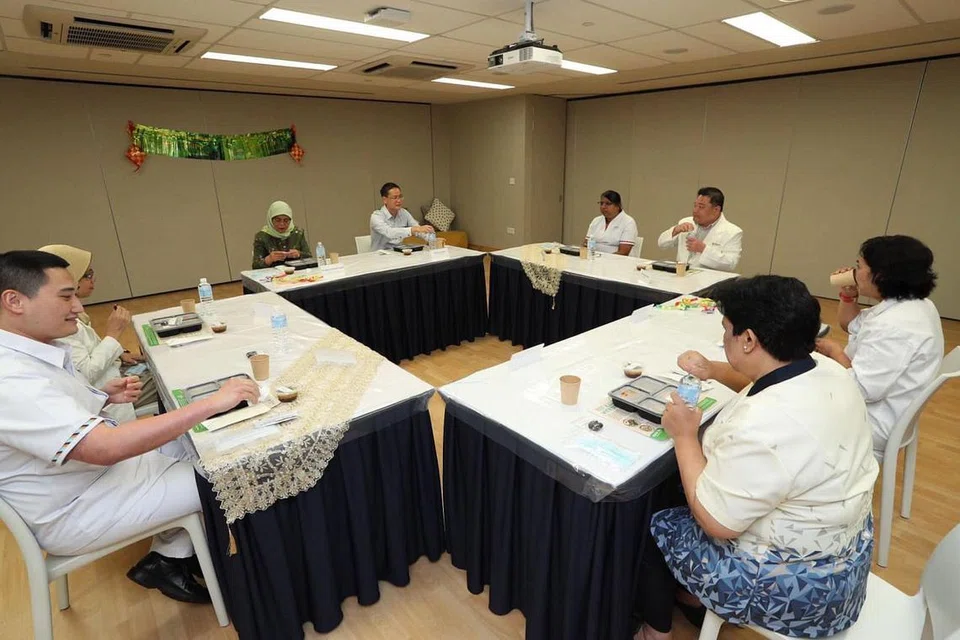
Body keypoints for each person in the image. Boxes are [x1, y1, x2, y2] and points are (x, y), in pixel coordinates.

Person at [0, 250, 260, 603]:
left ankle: (173, 556)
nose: (78, 307)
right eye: (66, 296)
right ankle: (250, 582)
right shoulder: (11, 378)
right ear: (14, 301)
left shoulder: (28, 351)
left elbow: (55, 415)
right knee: (233, 469)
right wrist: (211, 403)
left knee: (202, 442)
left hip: (88, 480)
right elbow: (104, 447)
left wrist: (101, 397)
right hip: (80, 506)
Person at [635, 276, 878, 640]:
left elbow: (716, 523)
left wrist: (684, 436)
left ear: (748, 339)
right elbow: (761, 380)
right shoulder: (829, 370)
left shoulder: (763, 425)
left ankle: (656, 630)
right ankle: (692, 599)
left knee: (654, 518)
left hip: (799, 591)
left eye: (726, 330)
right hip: (844, 559)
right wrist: (712, 369)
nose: (723, 338)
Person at [815, 235, 943, 462]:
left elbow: (860, 390)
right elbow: (851, 324)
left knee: (787, 395)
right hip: (883, 407)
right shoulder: (914, 305)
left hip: (871, 421)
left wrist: (835, 352)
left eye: (859, 267)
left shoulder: (894, 326)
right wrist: (848, 295)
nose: (854, 272)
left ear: (881, 275)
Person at [39, 244, 158, 423]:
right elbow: (86, 373)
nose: (93, 280)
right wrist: (113, 334)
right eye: (87, 275)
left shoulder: (69, 316)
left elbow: (86, 350)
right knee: (167, 376)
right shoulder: (58, 324)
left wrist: (119, 354)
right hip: (109, 394)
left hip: (110, 383)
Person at [656, 187, 742, 271]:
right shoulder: (686, 222)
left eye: (701, 207)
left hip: (709, 279)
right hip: (681, 274)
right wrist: (675, 230)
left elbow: (730, 264)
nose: (695, 210)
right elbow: (662, 244)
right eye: (695, 205)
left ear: (716, 209)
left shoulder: (732, 232)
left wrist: (703, 249)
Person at [369, 182, 434, 251]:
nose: (399, 200)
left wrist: (431, 238)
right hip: (380, 254)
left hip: (398, 252)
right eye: (395, 197)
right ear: (385, 200)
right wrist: (412, 230)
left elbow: (417, 228)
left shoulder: (404, 213)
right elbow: (389, 232)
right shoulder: (376, 216)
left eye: (400, 197)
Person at [252, 201, 312, 268]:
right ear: (271, 220)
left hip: (297, 272)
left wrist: (299, 254)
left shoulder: (297, 233)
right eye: (278, 220)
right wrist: (269, 259)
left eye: (286, 220)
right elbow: (255, 266)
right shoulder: (262, 236)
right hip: (272, 273)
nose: (282, 224)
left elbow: (309, 258)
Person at [582, 190, 639, 255]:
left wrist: (603, 259)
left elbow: (623, 253)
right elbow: (585, 245)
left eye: (608, 204)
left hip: (616, 260)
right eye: (601, 203)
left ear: (618, 206)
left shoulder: (628, 222)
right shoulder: (596, 220)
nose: (603, 207)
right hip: (594, 258)